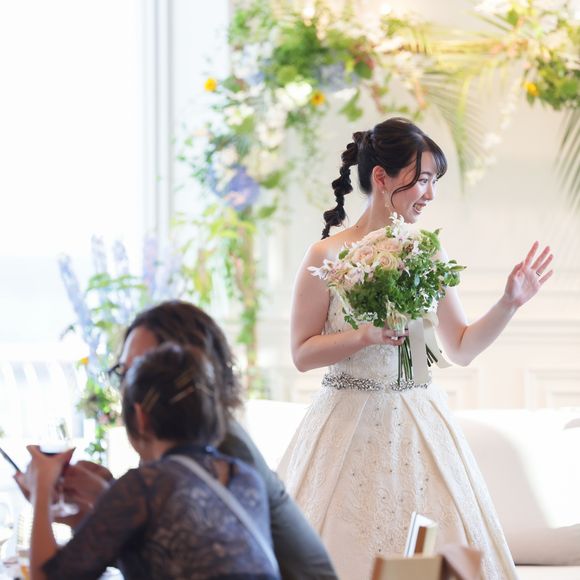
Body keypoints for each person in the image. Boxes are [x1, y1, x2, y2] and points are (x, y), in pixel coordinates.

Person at [277, 117, 553, 580]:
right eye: (422, 179)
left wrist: (509, 303)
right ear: (381, 177)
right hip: (345, 423)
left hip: (420, 420)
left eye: (433, 181)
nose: (430, 193)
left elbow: (459, 348)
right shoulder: (326, 255)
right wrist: (365, 335)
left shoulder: (426, 250)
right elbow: (302, 353)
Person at [42, 301, 337, 580]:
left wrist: (107, 499)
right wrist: (108, 500)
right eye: (125, 371)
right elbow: (168, 552)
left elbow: (202, 551)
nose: (130, 385)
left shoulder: (222, 447)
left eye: (143, 367)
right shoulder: (183, 439)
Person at [25, 342, 280, 579]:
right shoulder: (246, 478)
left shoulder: (145, 485)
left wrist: (42, 488)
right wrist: (100, 500)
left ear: (140, 416)